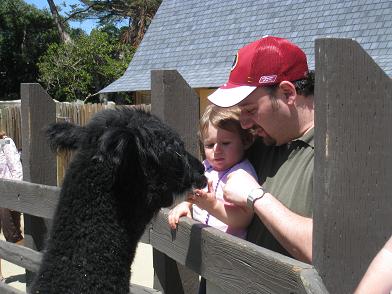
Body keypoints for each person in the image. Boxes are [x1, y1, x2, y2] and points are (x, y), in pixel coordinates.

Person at [207, 36, 315, 263]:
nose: (244, 124)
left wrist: (256, 196)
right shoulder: (260, 141)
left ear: (288, 93)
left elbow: (324, 249)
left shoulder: (342, 152)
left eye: (250, 109)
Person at [168, 104, 257, 239]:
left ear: (245, 141)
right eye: (209, 145)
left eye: (225, 143)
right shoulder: (206, 167)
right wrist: (186, 204)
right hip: (202, 242)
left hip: (227, 250)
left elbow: (244, 219)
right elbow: (195, 194)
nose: (216, 150)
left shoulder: (242, 174)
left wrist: (213, 206)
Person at [0, 131, 24, 282]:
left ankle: (41, 259)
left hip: (6, 196)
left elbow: (16, 169)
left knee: (13, 238)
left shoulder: (5, 142)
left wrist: (15, 199)